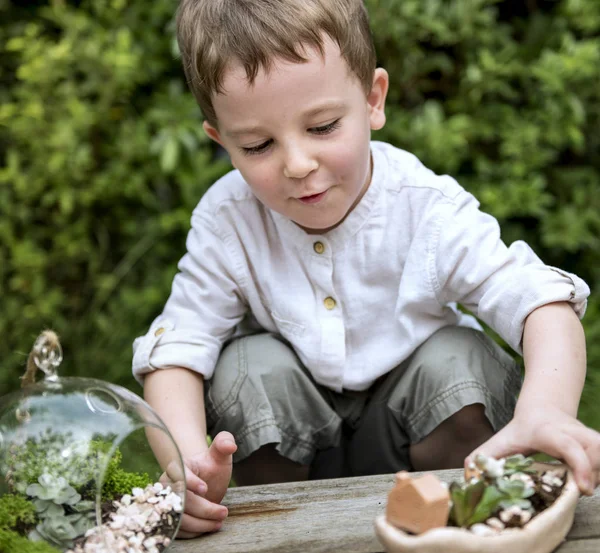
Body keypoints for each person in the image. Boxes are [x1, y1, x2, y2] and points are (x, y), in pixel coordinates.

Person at [132, 0, 600, 539]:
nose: (297, 164)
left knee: (460, 357)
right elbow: (177, 351)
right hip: (294, 450)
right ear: (222, 141)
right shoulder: (227, 220)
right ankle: (263, 532)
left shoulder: (423, 207)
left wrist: (546, 409)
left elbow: (539, 300)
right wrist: (187, 464)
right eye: (257, 145)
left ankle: (471, 520)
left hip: (420, 438)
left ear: (373, 100)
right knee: (248, 366)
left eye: (324, 126)